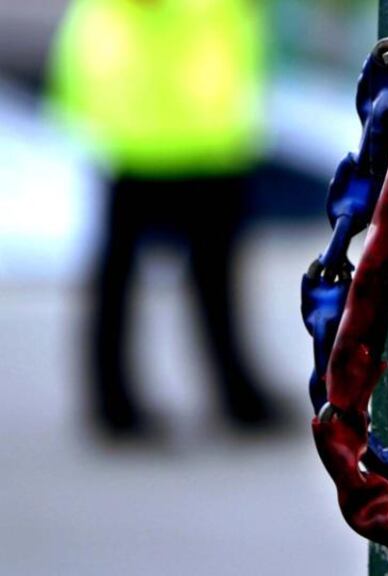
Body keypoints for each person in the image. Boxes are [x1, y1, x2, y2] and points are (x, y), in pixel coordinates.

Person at [48, 0, 277, 436]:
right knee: (144, 278)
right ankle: (119, 402)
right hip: (156, 129)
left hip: (193, 130)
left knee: (204, 278)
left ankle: (231, 394)